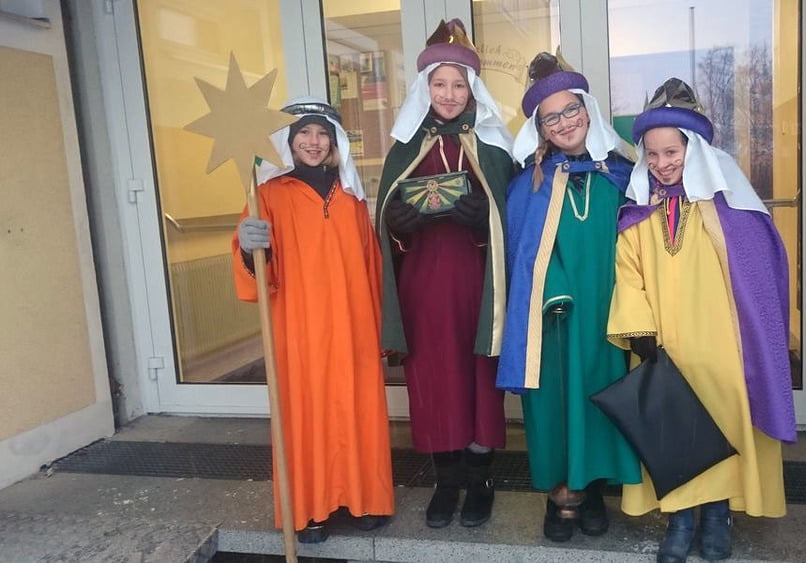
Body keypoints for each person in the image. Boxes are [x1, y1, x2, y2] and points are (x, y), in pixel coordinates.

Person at [607, 78, 797, 562]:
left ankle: (717, 514)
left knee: (722, 422)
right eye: (652, 155)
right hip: (662, 343)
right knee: (671, 429)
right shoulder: (639, 211)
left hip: (722, 345)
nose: (661, 163)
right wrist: (638, 327)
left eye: (672, 152)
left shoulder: (732, 208)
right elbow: (627, 272)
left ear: (694, 149)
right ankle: (680, 517)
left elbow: (757, 277)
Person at [374, 19, 515, 529]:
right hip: (424, 289)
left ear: (472, 89)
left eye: (459, 84)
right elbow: (385, 228)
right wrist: (397, 227)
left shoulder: (494, 148)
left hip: (480, 287)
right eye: (439, 84)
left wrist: (485, 221)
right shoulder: (404, 149)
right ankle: (446, 481)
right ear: (425, 87)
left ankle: (479, 481)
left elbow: (515, 222)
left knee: (479, 379)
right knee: (434, 380)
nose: (449, 94)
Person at [233, 97, 393, 543]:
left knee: (358, 409)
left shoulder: (352, 198)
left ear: (335, 142)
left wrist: (382, 329)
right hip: (299, 325)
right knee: (305, 413)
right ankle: (309, 508)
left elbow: (371, 265)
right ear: (288, 140)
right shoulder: (267, 195)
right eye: (304, 132)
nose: (314, 141)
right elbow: (257, 273)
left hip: (353, 323)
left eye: (323, 133)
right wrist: (248, 246)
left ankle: (364, 499)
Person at [497, 51, 641, 542]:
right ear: (539, 128)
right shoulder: (528, 184)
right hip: (553, 320)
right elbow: (523, 252)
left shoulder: (622, 174)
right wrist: (554, 289)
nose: (564, 123)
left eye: (570, 110)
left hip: (607, 314)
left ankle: (593, 490)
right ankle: (559, 494)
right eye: (550, 117)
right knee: (556, 404)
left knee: (601, 396)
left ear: (587, 110)